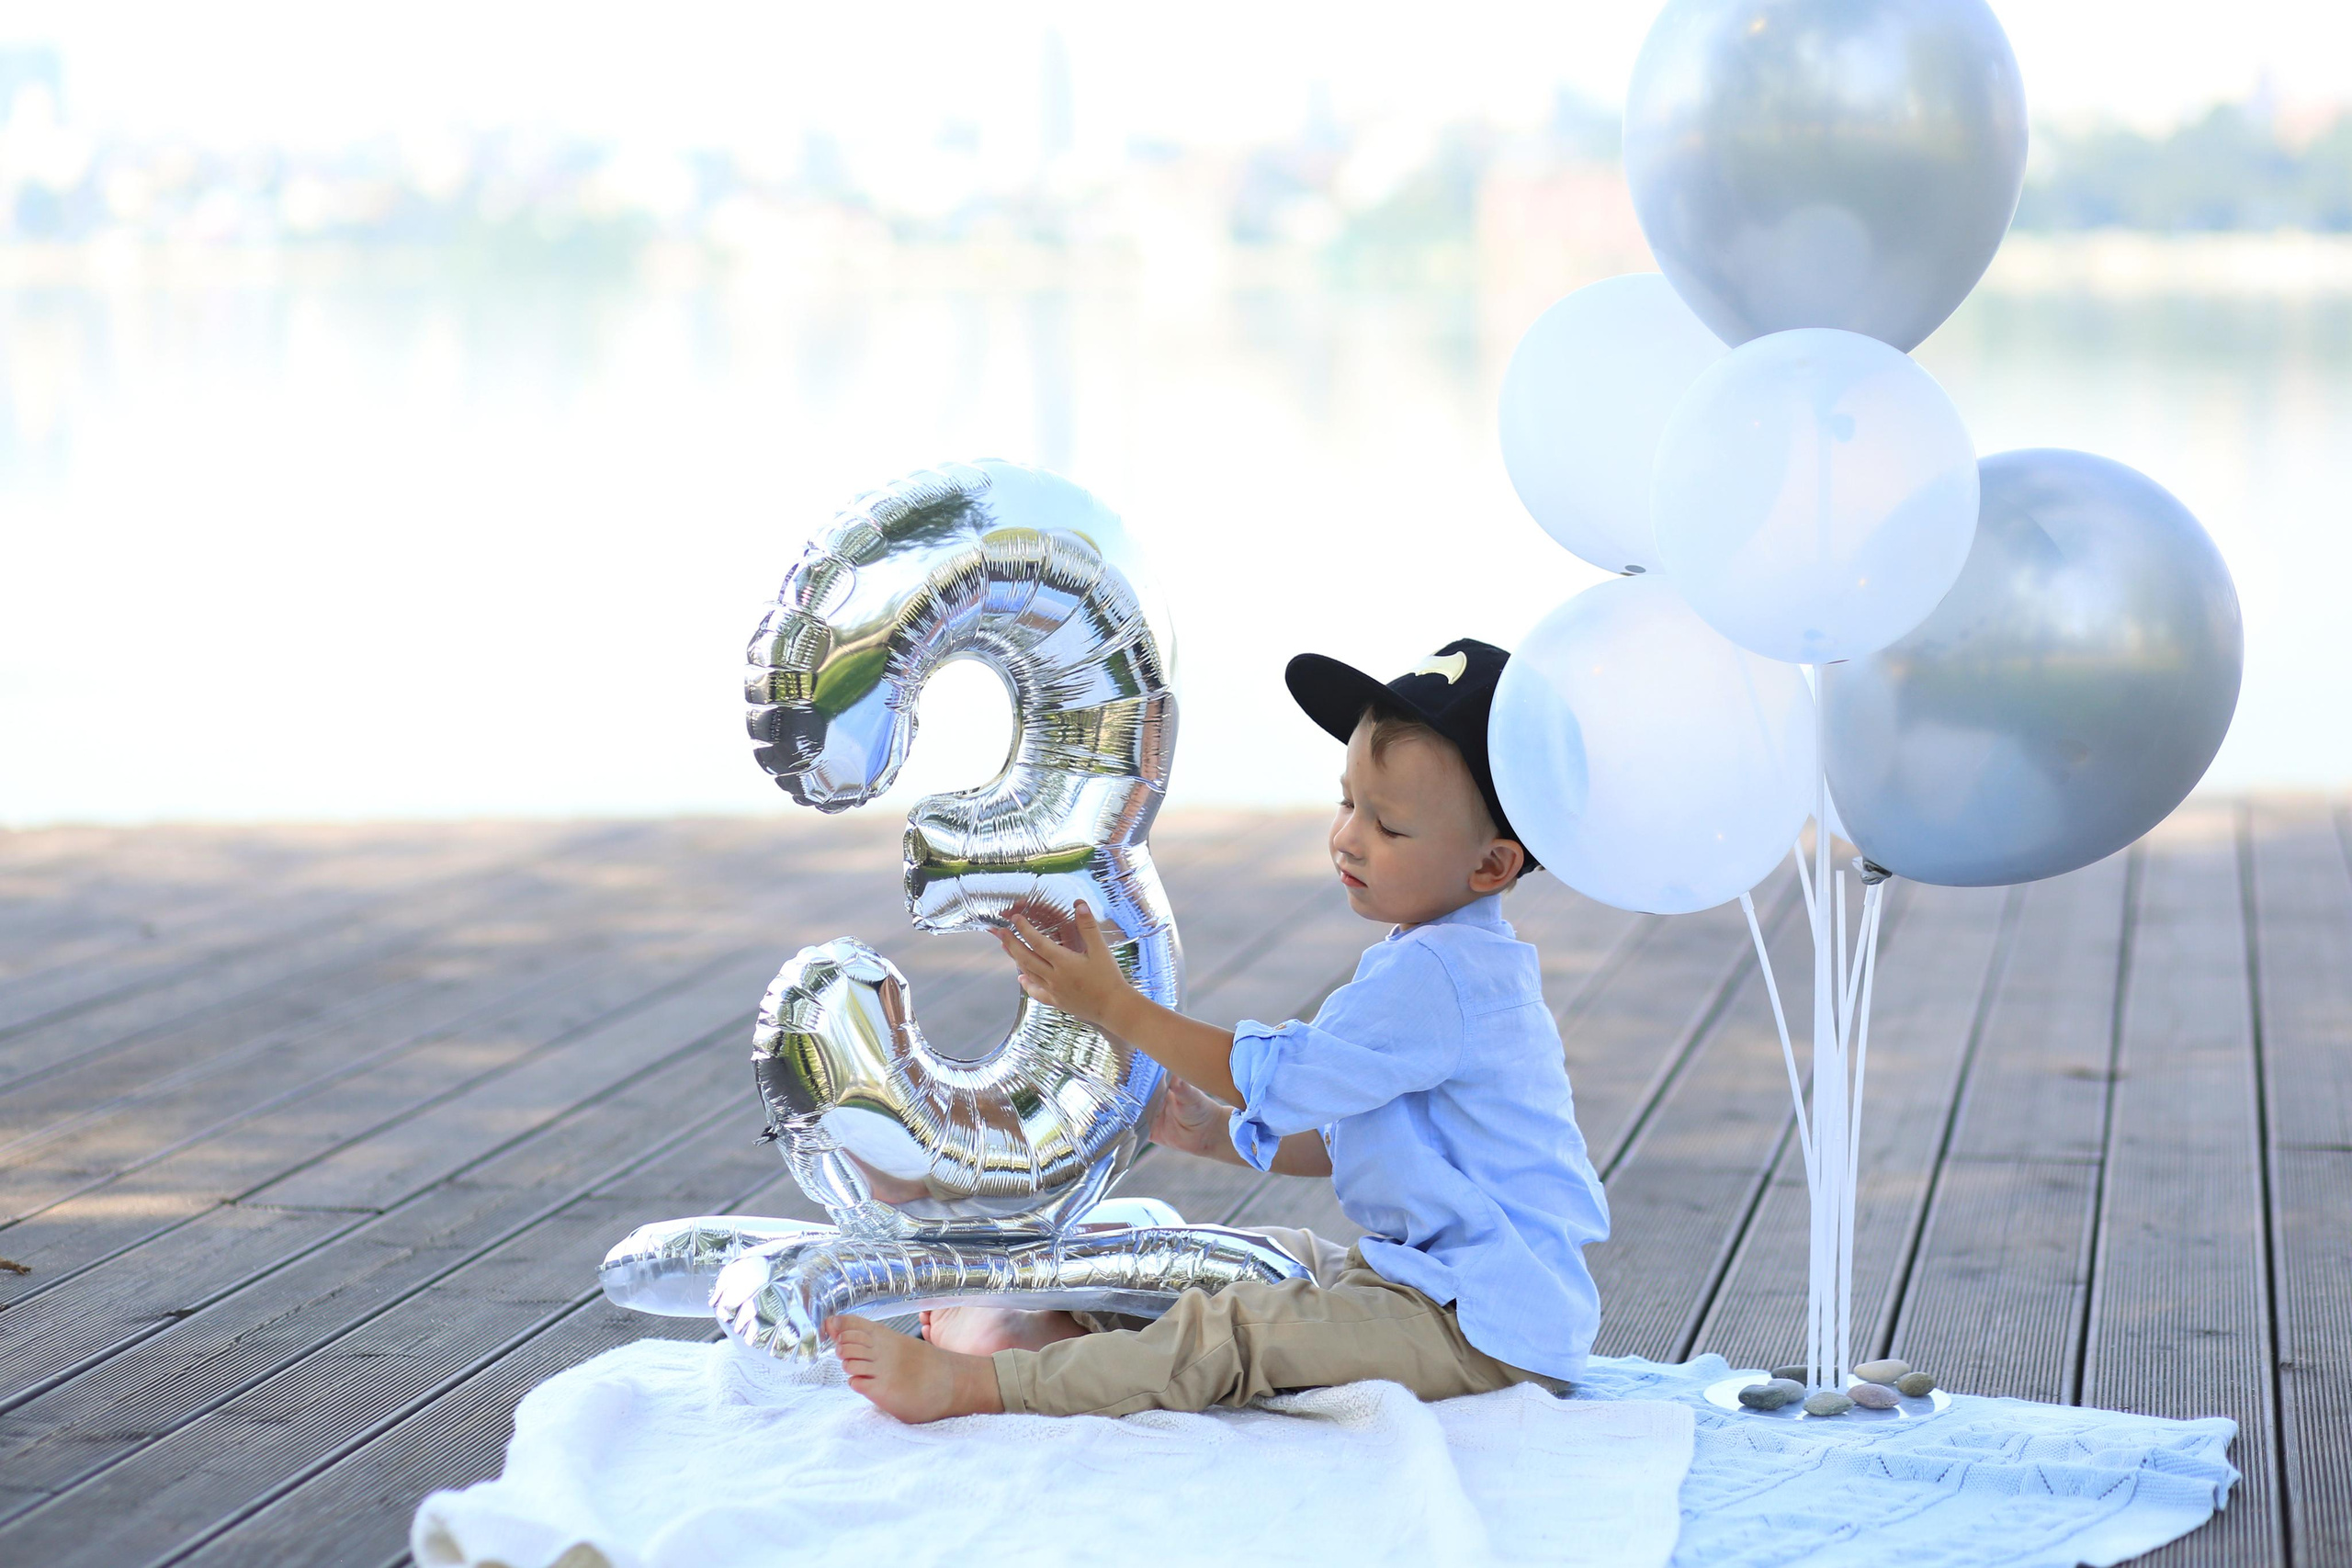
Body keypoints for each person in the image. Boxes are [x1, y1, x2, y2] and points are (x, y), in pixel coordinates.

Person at [828, 638, 1610, 1423]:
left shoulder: (1441, 977)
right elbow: (1357, 1131)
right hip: (1421, 1281)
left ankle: (980, 1384)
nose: (1348, 837)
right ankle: (1039, 1328)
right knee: (1233, 1258)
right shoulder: (1446, 959)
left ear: (1490, 865)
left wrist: (1117, 1006)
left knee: (1237, 1330)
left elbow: (1274, 1074)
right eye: (1348, 802)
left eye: (1389, 826)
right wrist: (1214, 1135)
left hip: (1482, 1333)